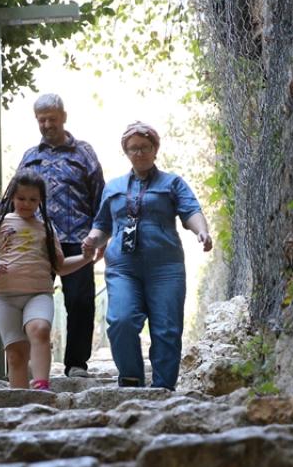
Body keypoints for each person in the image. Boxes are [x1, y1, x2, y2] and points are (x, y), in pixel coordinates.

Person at [0, 93, 105, 377]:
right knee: (29, 298)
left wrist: (101, 237)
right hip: (34, 240)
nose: (47, 125)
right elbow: (14, 200)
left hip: (76, 237)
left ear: (63, 117)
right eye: (41, 120)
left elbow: (100, 198)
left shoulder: (84, 153)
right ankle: (27, 366)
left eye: (52, 119)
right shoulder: (31, 156)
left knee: (80, 301)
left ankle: (76, 364)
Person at [81, 121, 212, 390]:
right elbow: (102, 225)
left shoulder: (172, 183)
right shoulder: (113, 187)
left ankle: (162, 388)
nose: (139, 153)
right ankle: (131, 382)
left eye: (144, 147)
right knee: (121, 320)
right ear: (126, 152)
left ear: (155, 149)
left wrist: (202, 231)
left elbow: (191, 211)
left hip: (165, 267)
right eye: (133, 148)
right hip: (123, 267)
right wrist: (92, 239)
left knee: (167, 328)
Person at [0, 170, 97, 390]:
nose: (27, 204)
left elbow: (60, 266)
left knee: (40, 329)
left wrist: (86, 258)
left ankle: (41, 386)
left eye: (33, 200)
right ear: (12, 197)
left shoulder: (46, 228)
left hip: (38, 293)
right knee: (16, 354)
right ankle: (21, 399)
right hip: (5, 296)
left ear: (41, 201)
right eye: (21, 198)